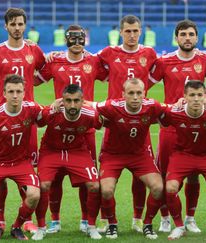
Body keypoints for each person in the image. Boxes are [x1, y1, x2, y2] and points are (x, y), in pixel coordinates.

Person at [35, 24, 107, 234]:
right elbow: (33, 80)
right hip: (60, 125)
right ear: (66, 40)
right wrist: (44, 55)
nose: (76, 43)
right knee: (54, 179)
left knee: (88, 180)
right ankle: (55, 221)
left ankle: (86, 220)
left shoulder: (93, 61)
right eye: (72, 39)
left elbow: (113, 77)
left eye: (80, 39)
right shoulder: (55, 60)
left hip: (86, 128)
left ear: (85, 39)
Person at [149, 19, 206, 233]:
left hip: (196, 126)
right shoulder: (164, 61)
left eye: (190, 35)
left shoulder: (205, 59)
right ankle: (165, 217)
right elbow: (144, 86)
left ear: (196, 38)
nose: (187, 38)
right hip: (170, 126)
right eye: (183, 34)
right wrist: (167, 107)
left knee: (193, 173)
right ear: (176, 37)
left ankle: (190, 218)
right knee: (163, 173)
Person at [0, 7, 46, 233]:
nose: (17, 28)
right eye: (13, 24)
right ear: (5, 26)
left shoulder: (34, 49)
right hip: (2, 121)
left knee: (28, 166)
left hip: (28, 120)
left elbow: (43, 73)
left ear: (25, 25)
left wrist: (28, 86)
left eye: (20, 24)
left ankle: (26, 218)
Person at [97, 14, 158, 234]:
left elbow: (157, 74)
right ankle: (106, 219)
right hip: (114, 121)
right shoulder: (109, 53)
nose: (132, 35)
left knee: (140, 175)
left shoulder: (149, 54)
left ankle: (138, 218)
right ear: (120, 32)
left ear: (140, 31)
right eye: (127, 31)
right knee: (106, 177)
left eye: (135, 31)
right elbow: (89, 64)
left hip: (140, 120)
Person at [0, 74, 43, 241]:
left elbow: (47, 115)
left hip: (21, 162)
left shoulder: (31, 108)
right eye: (11, 91)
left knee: (34, 195)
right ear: (4, 93)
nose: (15, 95)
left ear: (25, 93)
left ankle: (17, 227)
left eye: (19, 91)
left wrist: (56, 106)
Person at [94, 78, 164, 240]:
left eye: (139, 93)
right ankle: (112, 224)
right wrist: (60, 101)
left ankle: (147, 224)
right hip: (113, 155)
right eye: (131, 93)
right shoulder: (112, 106)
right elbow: (88, 104)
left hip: (139, 156)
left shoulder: (152, 106)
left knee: (158, 188)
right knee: (106, 190)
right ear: (123, 95)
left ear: (144, 94)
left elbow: (172, 109)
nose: (135, 97)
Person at [159, 81, 206, 240]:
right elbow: (157, 112)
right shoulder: (174, 111)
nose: (196, 99)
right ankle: (178, 226)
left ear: (205, 96)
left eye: (200, 95)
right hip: (182, 155)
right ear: (184, 97)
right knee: (170, 188)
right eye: (192, 95)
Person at [32, 84, 103, 240]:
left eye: (76, 101)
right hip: (51, 151)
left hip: (77, 151)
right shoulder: (53, 111)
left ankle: (91, 226)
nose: (72, 105)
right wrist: (50, 108)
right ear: (62, 100)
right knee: (43, 185)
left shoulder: (90, 114)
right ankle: (42, 227)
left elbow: (103, 123)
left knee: (94, 185)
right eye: (68, 101)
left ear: (82, 100)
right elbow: (37, 120)